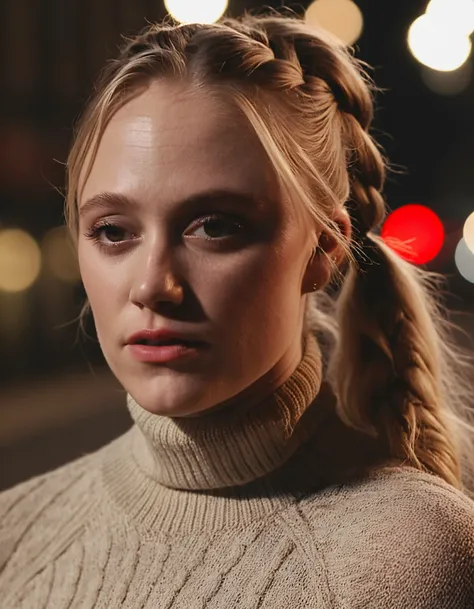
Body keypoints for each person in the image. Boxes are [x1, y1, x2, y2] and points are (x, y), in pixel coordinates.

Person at [1, 9, 474, 607]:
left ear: (323, 248)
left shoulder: (405, 560)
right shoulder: (16, 534)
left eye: (215, 226)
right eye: (114, 231)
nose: (153, 285)